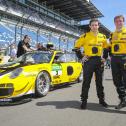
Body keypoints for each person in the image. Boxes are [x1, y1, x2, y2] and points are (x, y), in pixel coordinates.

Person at [74, 18, 109, 109]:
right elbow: (76, 47)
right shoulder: (84, 36)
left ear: (98, 26)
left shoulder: (103, 37)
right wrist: (81, 57)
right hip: (88, 61)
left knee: (99, 82)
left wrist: (104, 57)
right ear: (90, 26)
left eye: (96, 25)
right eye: (92, 25)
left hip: (98, 61)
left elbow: (106, 48)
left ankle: (101, 100)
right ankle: (84, 101)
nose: (94, 26)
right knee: (86, 82)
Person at [109, 15, 126, 109]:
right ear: (114, 23)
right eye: (117, 21)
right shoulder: (112, 34)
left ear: (123, 22)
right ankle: (123, 100)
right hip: (114, 59)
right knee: (117, 81)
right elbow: (109, 47)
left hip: (125, 58)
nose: (119, 23)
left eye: (120, 21)